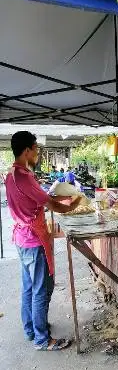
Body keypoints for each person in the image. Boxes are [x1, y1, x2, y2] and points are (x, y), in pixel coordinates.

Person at [5, 131, 82, 351]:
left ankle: (31, 329)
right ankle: (42, 339)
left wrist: (64, 196)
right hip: (33, 239)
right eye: (36, 148)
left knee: (29, 287)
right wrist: (72, 205)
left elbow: (40, 197)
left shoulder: (11, 174)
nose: (38, 152)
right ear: (27, 150)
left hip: (22, 238)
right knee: (41, 289)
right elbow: (51, 204)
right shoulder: (24, 176)